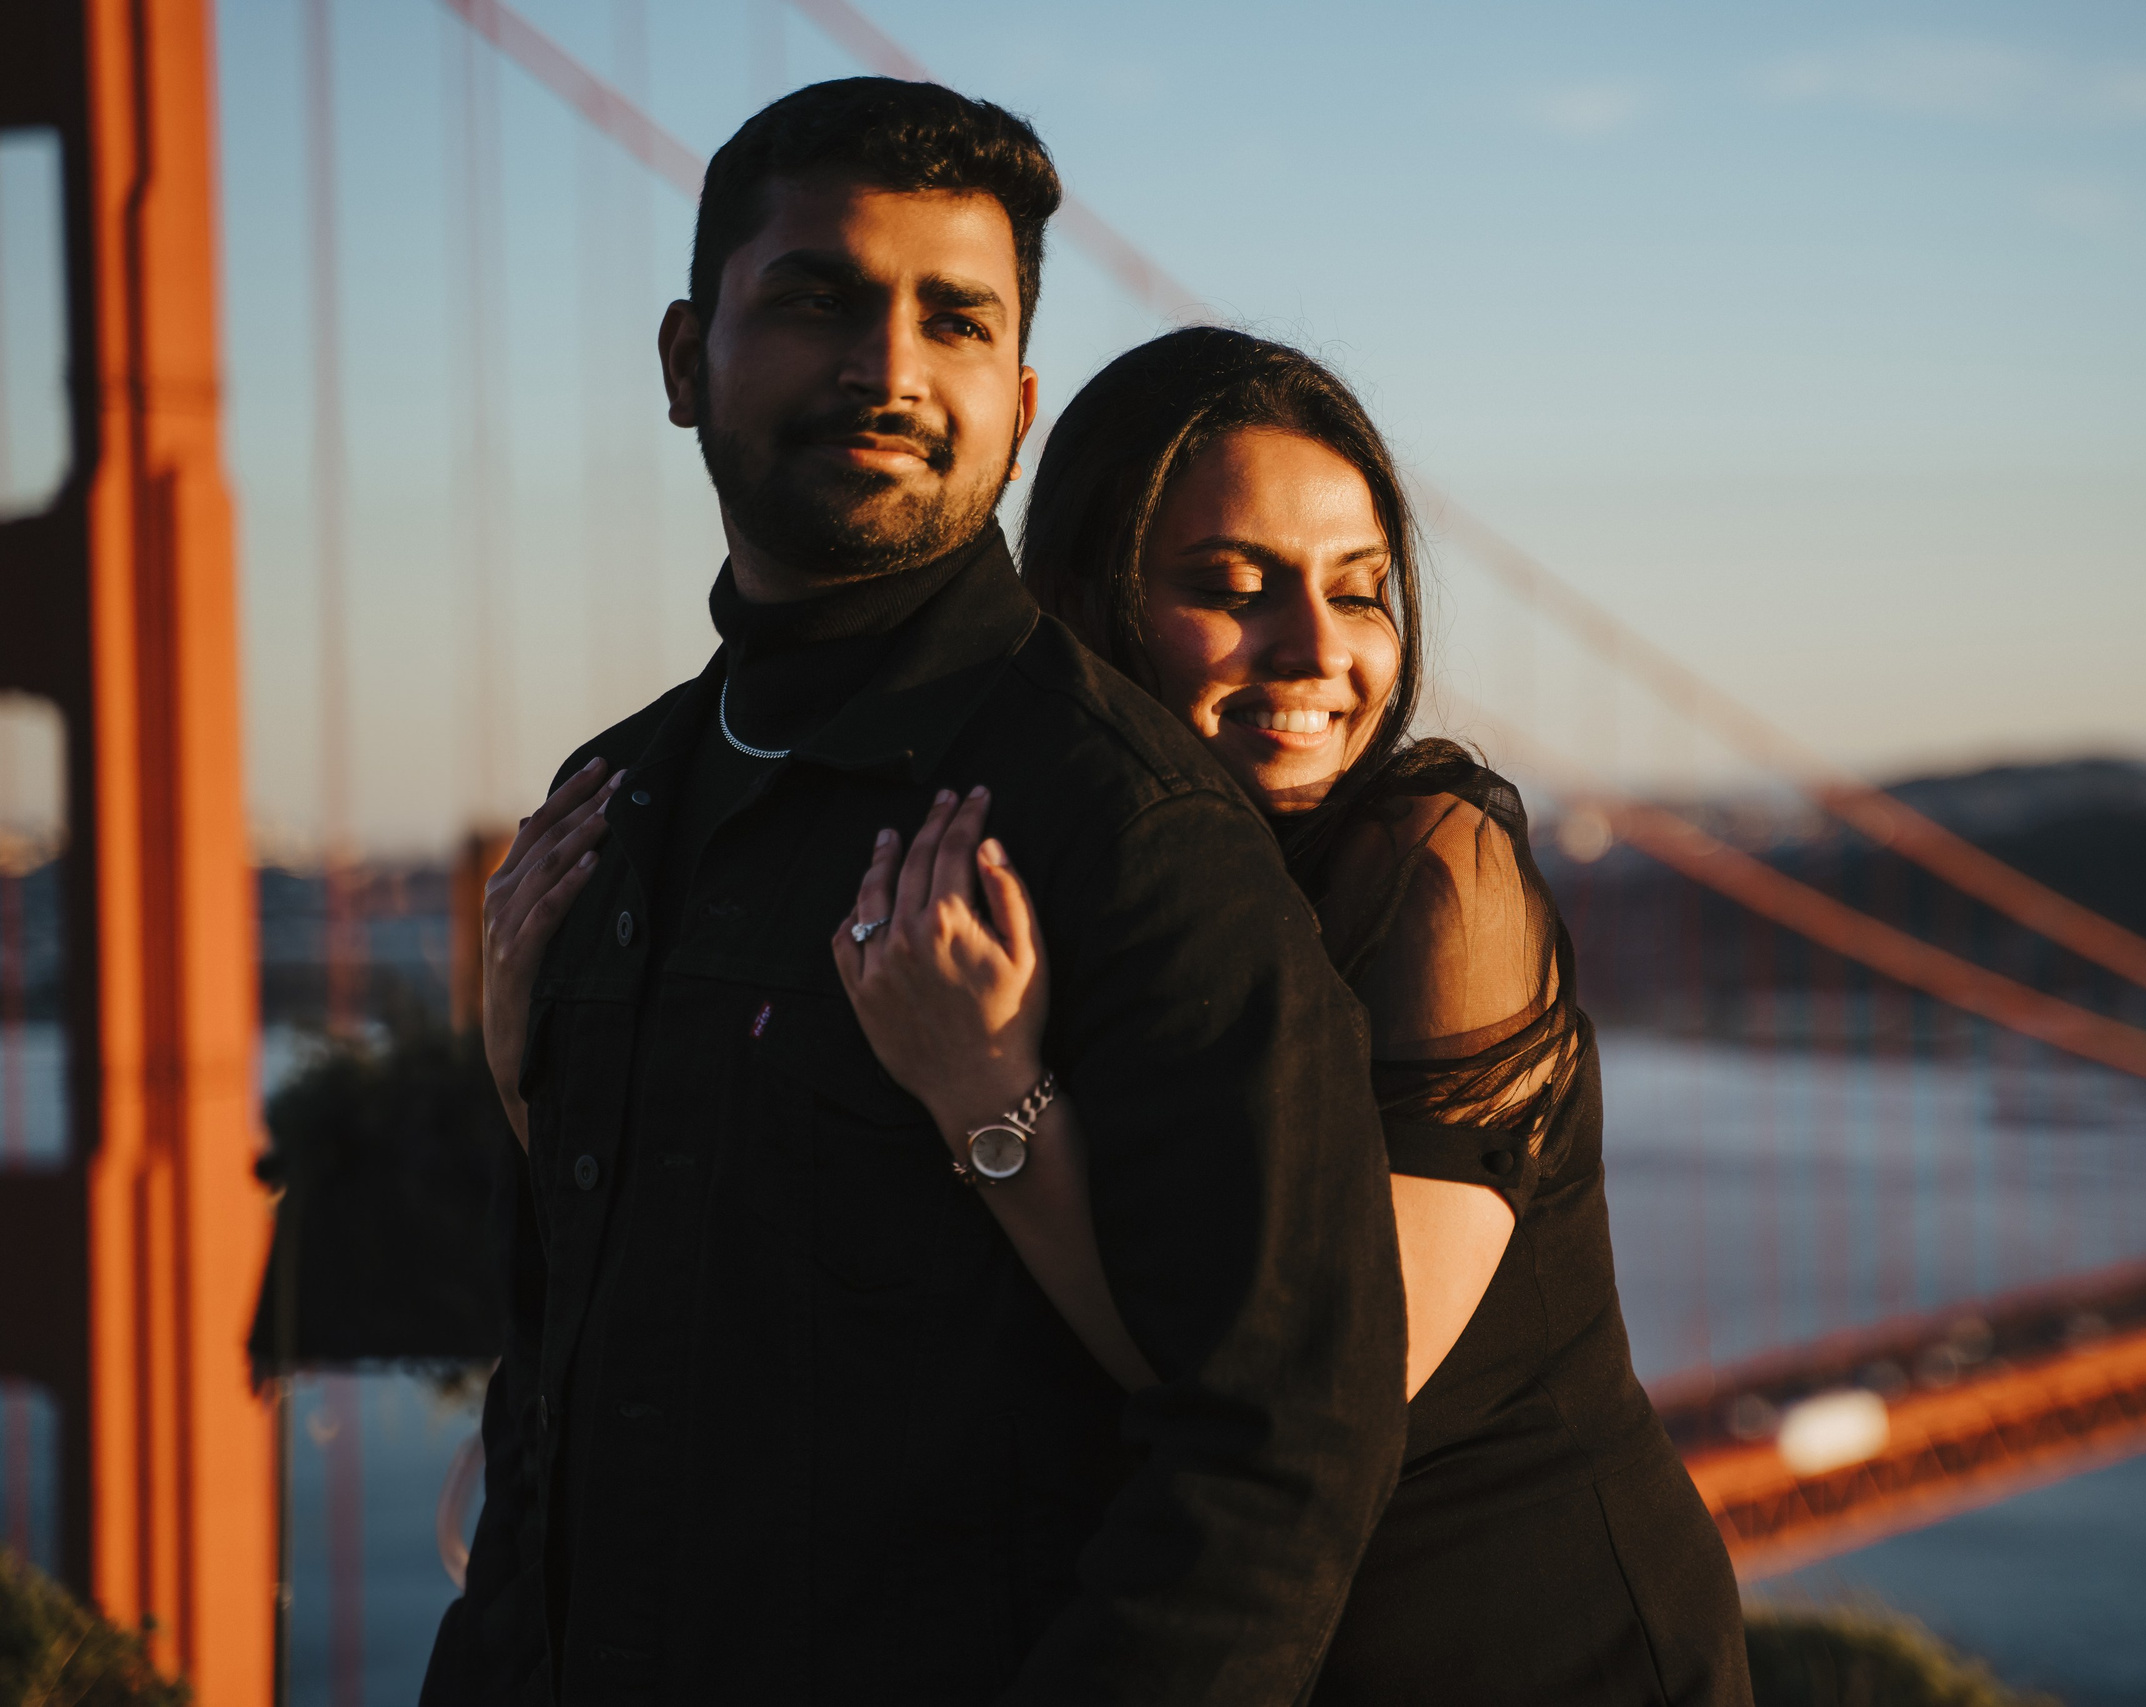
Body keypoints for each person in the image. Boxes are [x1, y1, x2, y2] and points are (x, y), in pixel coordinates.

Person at [424, 83, 1409, 1705]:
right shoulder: (610, 807)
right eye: (820, 299)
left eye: (954, 322)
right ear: (685, 361)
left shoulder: (1127, 830)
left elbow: (1275, 1455)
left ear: (1018, 405)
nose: (888, 370)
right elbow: (560, 1389)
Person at [839, 327, 1753, 1704]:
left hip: (1538, 1652)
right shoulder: (1040, 890)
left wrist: (988, 1105)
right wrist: (524, 1066)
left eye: (1362, 591)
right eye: (1235, 588)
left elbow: (1314, 1389)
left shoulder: (1438, 869)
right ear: (1084, 604)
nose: (1320, 651)